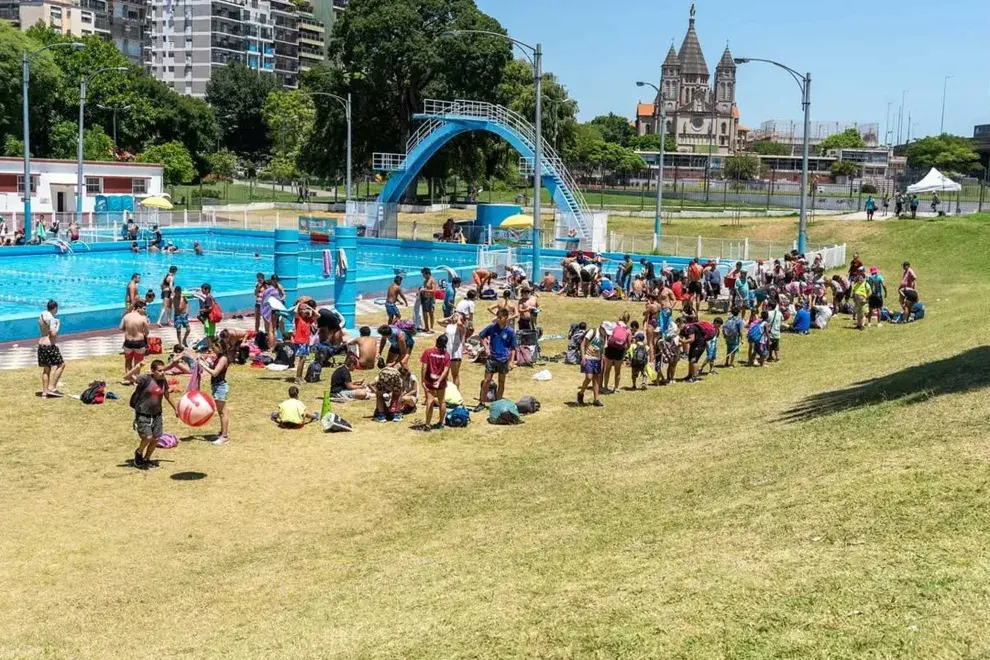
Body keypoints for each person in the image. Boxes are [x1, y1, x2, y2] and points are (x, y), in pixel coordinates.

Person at [130, 359, 178, 469]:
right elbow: (127, 377)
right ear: (153, 371)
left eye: (163, 370)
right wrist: (138, 367)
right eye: (160, 371)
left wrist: (176, 409)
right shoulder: (146, 379)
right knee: (148, 437)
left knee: (156, 438)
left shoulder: (163, 381)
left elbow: (167, 395)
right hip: (143, 413)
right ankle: (139, 453)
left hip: (157, 414)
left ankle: (146, 459)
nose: (163, 373)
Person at [475, 308, 516, 411]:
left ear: (506, 318)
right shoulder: (492, 328)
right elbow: (481, 336)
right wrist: (486, 347)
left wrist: (511, 362)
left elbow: (513, 348)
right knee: (486, 381)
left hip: (504, 359)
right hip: (492, 358)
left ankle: (498, 403)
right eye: (497, 317)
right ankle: (482, 402)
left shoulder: (510, 331)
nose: (498, 319)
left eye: (500, 317)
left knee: (501, 382)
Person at [197, 336, 232, 445]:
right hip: (217, 386)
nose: (212, 350)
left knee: (222, 413)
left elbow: (215, 373)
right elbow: (213, 367)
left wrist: (202, 365)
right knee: (221, 412)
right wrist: (205, 361)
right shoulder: (219, 357)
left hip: (220, 386)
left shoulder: (223, 359)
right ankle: (222, 432)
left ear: (220, 347)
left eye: (214, 348)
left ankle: (224, 436)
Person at [420, 334, 452, 431]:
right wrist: (439, 381)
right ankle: (441, 422)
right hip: (440, 381)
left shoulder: (428, 352)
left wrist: (423, 380)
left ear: (436, 341)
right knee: (442, 401)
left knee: (430, 401)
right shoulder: (446, 355)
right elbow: (446, 370)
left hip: (429, 380)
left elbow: (424, 367)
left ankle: (427, 424)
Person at [38, 300, 65, 398]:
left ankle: (45, 392)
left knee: (46, 369)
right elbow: (53, 334)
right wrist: (58, 325)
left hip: (41, 344)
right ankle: (52, 387)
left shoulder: (42, 315)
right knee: (61, 364)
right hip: (49, 345)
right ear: (55, 308)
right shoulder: (52, 319)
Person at [120, 300, 149, 384]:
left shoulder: (126, 317)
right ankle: (136, 379)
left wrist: (129, 330)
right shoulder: (143, 318)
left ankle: (128, 378)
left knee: (128, 360)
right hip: (139, 342)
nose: (145, 310)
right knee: (138, 362)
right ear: (138, 308)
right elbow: (147, 333)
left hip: (128, 342)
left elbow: (121, 328)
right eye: (144, 308)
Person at [578, 323, 605, 406]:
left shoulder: (604, 337)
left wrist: (601, 361)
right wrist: (583, 357)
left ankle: (596, 399)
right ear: (601, 328)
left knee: (596, 379)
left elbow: (601, 350)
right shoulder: (593, 332)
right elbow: (583, 344)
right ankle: (581, 393)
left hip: (597, 359)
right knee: (589, 377)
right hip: (588, 357)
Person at [602, 317, 630, 394]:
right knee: (618, 371)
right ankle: (616, 388)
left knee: (607, 369)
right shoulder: (627, 330)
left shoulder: (614, 325)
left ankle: (605, 387)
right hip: (620, 351)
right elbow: (629, 344)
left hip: (610, 349)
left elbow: (607, 334)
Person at [292, 301, 316, 384]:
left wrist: (310, 308)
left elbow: (317, 315)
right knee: (301, 360)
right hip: (300, 341)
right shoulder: (298, 319)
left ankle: (300, 376)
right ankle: (297, 377)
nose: (305, 314)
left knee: (304, 359)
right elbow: (295, 312)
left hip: (306, 342)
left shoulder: (308, 320)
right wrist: (298, 305)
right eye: (304, 312)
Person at [443, 311, 467, 388]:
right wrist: (449, 318)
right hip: (447, 352)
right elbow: (439, 321)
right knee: (444, 374)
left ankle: (456, 391)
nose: (454, 315)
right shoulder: (449, 325)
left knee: (455, 374)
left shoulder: (461, 327)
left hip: (456, 353)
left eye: (457, 315)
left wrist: (459, 318)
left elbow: (459, 324)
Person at [198, 283, 219, 352]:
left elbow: (209, 308)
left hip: (208, 318)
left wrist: (202, 310)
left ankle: (210, 348)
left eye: (203, 289)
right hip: (212, 318)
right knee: (212, 333)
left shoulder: (208, 298)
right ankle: (212, 347)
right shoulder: (211, 297)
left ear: (207, 290)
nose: (202, 291)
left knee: (208, 334)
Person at [419, 267, 437, 333]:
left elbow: (434, 290)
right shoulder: (425, 281)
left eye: (423, 274)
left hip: (430, 299)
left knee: (430, 313)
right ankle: (426, 327)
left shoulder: (432, 280)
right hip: (425, 298)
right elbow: (425, 289)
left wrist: (425, 290)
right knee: (424, 313)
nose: (423, 276)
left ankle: (431, 328)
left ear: (427, 274)